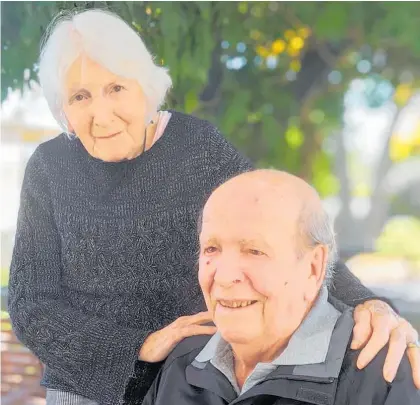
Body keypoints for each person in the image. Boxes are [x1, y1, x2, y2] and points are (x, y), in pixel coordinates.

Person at [7, 8, 419, 405]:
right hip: (86, 388)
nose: (101, 115)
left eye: (116, 88)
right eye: (80, 97)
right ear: (63, 109)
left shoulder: (197, 149)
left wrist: (370, 304)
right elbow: (30, 302)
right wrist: (137, 347)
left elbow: (285, 231)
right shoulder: (49, 167)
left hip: (188, 385)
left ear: (145, 85)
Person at [143, 170, 420, 405]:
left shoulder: (385, 376)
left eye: (254, 251)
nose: (224, 277)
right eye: (211, 248)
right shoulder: (181, 362)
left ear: (313, 267)